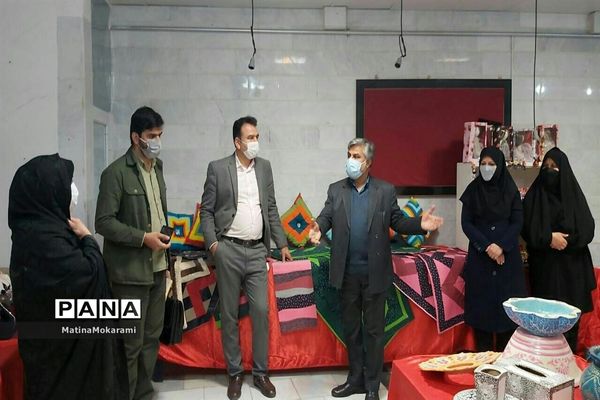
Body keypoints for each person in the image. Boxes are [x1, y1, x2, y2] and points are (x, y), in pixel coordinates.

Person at [308, 138, 443, 400]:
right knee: (351, 329)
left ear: (368, 162)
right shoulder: (336, 190)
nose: (351, 160)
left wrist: (420, 224)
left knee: (374, 330)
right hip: (346, 273)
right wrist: (318, 227)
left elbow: (399, 222)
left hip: (374, 272)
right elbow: (326, 216)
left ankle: (372, 384)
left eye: (356, 156)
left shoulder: (385, 191)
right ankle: (355, 380)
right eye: (349, 154)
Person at [8, 154, 128, 400]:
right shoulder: (49, 242)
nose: (73, 189)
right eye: (67, 182)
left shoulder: (30, 232)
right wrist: (88, 239)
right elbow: (89, 273)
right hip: (64, 358)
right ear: (48, 191)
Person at [200, 115, 292, 400]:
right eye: (250, 138)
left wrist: (282, 244)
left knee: (261, 312)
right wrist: (214, 245)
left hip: (256, 252)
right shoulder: (218, 168)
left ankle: (261, 374)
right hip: (227, 249)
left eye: (257, 137)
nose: (256, 142)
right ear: (237, 142)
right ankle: (235, 373)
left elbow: (271, 208)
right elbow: (207, 211)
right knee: (229, 315)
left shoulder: (264, 167)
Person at [95, 106, 170, 400]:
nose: (157, 141)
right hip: (129, 275)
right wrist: (143, 238)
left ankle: (142, 392)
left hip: (157, 268)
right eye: (151, 135)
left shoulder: (157, 168)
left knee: (151, 339)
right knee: (130, 343)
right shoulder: (115, 173)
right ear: (135, 137)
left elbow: (158, 212)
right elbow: (103, 222)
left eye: (160, 135)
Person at [522, 147, 596, 352]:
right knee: (544, 321)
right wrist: (548, 238)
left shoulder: (573, 196)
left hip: (572, 270)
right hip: (545, 269)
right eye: (546, 167)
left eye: (554, 167)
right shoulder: (534, 197)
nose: (549, 171)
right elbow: (526, 227)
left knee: (569, 321)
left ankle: (567, 361)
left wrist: (565, 241)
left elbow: (587, 229)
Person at [459, 147, 527, 352]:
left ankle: (505, 365)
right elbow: (466, 223)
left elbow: (517, 222)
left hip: (507, 259)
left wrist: (501, 246)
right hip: (480, 259)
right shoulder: (473, 190)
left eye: (491, 164)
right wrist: (487, 246)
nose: (487, 168)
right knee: (482, 319)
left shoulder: (510, 190)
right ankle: (484, 364)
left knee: (508, 318)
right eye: (483, 164)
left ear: (500, 166)